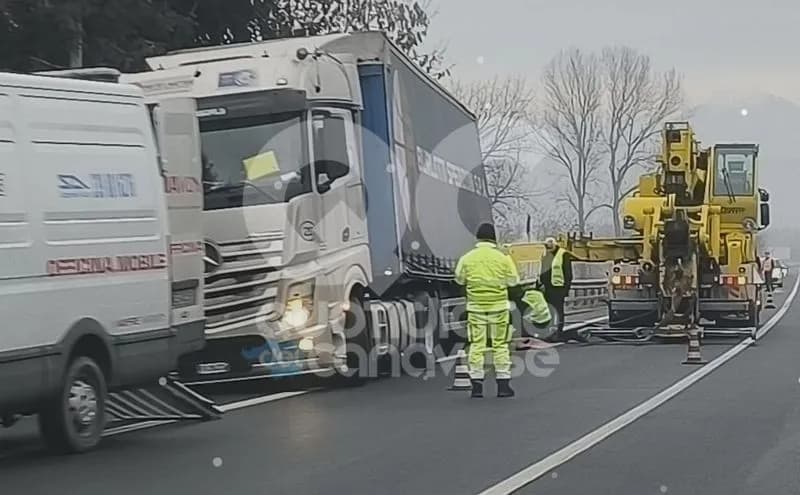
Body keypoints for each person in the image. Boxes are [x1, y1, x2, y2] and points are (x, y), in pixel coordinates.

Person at [455, 223, 520, 398]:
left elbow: (459, 279)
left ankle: (477, 387)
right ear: (494, 238)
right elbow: (514, 281)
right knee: (500, 345)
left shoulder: (467, 258)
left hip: (476, 308)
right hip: (499, 308)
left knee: (477, 345)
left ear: (477, 237)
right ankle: (503, 386)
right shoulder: (503, 258)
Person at [540, 237, 586, 343]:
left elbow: (568, 273)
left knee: (558, 311)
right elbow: (542, 271)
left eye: (549, 247)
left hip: (558, 288)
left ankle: (558, 333)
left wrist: (566, 289)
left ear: (554, 245)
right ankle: (550, 332)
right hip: (547, 288)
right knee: (549, 311)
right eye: (546, 247)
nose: (548, 249)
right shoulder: (545, 254)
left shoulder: (563, 254)